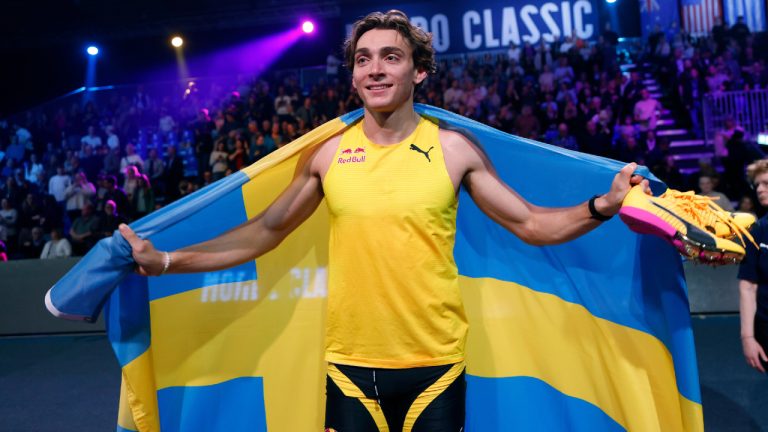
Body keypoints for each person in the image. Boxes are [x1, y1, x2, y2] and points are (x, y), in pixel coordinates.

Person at [118, 10, 648, 431]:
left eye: (390, 57)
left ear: (417, 71)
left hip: (436, 366)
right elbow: (264, 232)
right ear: (352, 75)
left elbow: (533, 224)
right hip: (350, 367)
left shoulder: (454, 150)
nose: (375, 69)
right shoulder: (326, 156)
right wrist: (165, 260)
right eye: (364, 59)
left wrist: (604, 205)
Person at [738, 159, 768, 373]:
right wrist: (747, 337)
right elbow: (748, 287)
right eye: (757, 184)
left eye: (766, 183)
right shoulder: (757, 230)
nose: (759, 189)